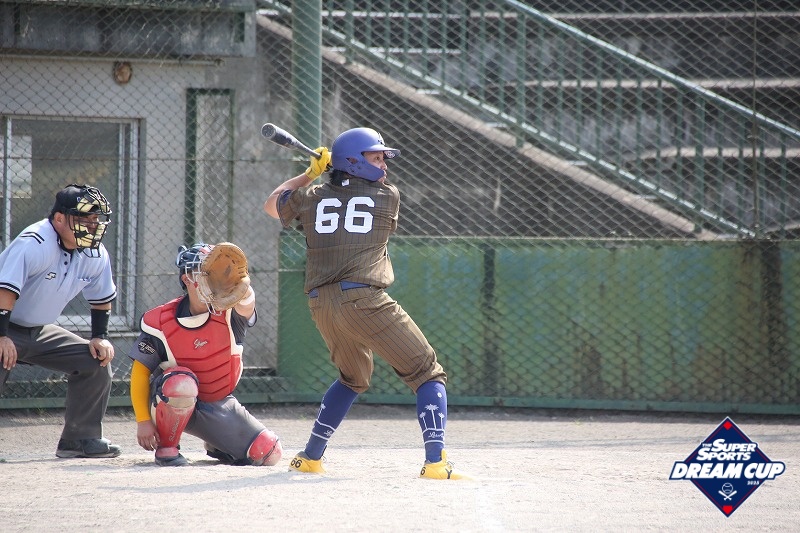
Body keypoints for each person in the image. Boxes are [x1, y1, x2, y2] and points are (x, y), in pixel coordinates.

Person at [264, 127, 470, 480]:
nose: (384, 165)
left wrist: (310, 174)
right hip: (364, 300)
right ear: (354, 162)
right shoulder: (387, 195)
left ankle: (310, 457)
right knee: (427, 372)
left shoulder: (311, 197)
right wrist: (327, 175)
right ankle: (436, 462)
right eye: (376, 157)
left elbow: (272, 204)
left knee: (352, 378)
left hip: (321, 304)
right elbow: (350, 200)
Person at [128, 243, 282, 467]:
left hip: (215, 401)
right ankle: (167, 448)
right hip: (167, 401)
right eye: (204, 272)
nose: (213, 278)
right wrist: (143, 420)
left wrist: (244, 287)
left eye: (217, 271)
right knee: (182, 384)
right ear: (186, 279)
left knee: (268, 452)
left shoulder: (230, 311)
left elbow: (247, 303)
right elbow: (139, 374)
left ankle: (218, 445)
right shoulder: (160, 321)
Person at [0, 183, 121, 458]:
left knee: (96, 361)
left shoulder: (95, 252)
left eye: (95, 219)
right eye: (84, 219)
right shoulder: (34, 243)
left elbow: (101, 297)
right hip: (4, 324)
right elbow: (4, 291)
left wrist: (100, 336)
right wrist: (1, 336)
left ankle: (79, 439)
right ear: (59, 218)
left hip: (39, 330)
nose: (92, 225)